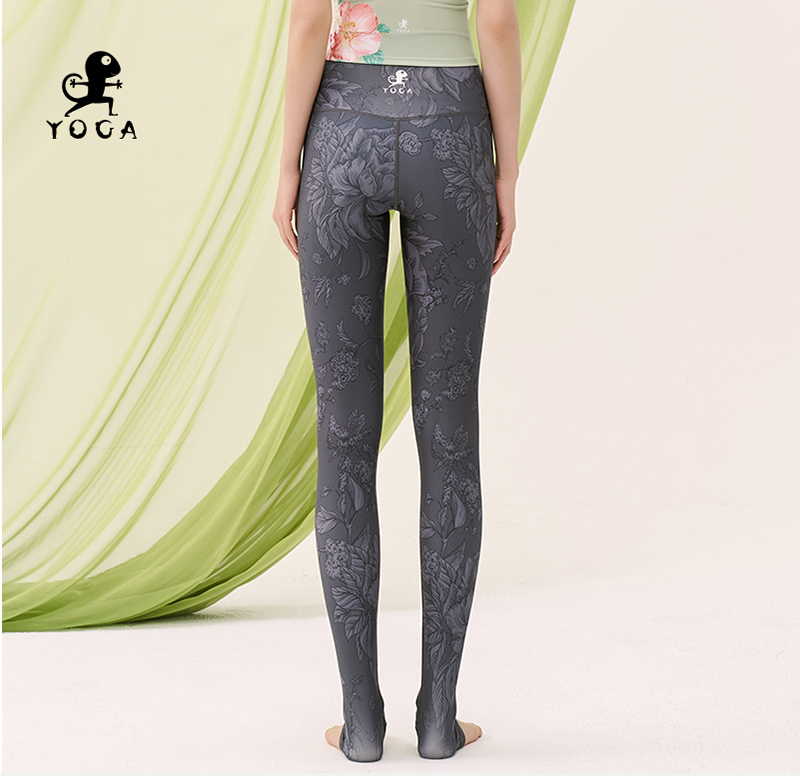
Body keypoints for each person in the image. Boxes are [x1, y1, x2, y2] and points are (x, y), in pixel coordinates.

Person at [274, 0, 520, 762]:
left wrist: (287, 162)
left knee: (344, 434)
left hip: (343, 128)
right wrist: (507, 172)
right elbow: (498, 21)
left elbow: (310, 18)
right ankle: (440, 720)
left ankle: (360, 724)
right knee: (449, 432)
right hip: (452, 132)